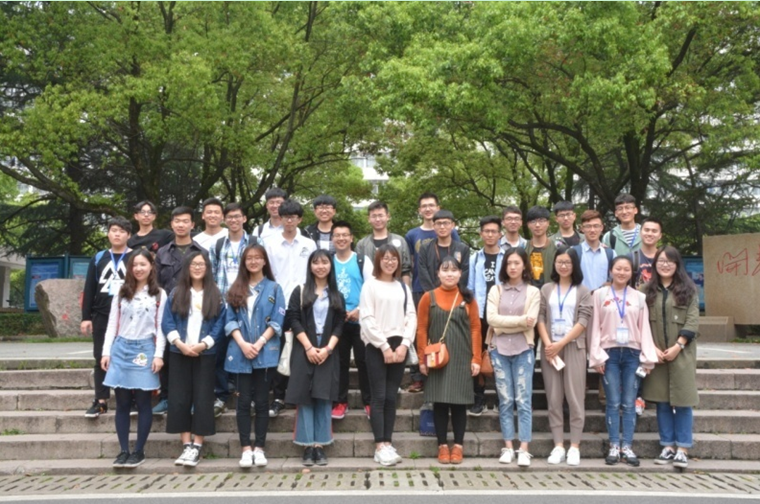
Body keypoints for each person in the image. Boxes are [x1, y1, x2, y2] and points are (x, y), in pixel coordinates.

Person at [588, 256, 658, 467]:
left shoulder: (639, 297)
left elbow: (644, 328)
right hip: (608, 353)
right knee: (613, 402)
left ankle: (627, 446)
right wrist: (596, 356)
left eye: (626, 269)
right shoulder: (600, 295)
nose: (621, 272)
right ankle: (613, 446)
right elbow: (594, 326)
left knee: (629, 402)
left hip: (632, 353)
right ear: (611, 270)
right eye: (618, 268)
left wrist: (647, 359)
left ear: (632, 272)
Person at [101, 250, 167, 468]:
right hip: (121, 348)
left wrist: (158, 355)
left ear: (151, 266)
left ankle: (139, 450)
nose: (138, 268)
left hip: (145, 349)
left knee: (143, 401)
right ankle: (123, 450)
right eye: (135, 265)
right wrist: (106, 352)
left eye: (143, 264)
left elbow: (161, 328)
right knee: (121, 402)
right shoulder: (122, 291)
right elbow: (112, 323)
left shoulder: (159, 294)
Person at [224, 244, 286, 468]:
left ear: (264, 261)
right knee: (242, 403)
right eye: (249, 258)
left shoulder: (274, 288)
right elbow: (229, 321)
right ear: (244, 262)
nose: (253, 261)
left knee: (261, 402)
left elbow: (278, 321)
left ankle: (259, 447)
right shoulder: (236, 288)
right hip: (240, 352)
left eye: (257, 257)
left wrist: (259, 343)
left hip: (265, 352)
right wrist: (242, 344)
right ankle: (245, 449)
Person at [162, 252, 226, 467]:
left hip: (204, 354)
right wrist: (179, 343)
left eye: (201, 264)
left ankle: (197, 445)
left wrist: (204, 344)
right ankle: (186, 445)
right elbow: (167, 321)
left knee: (202, 399)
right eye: (193, 264)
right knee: (179, 398)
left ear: (207, 268)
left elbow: (220, 324)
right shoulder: (176, 292)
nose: (197, 267)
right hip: (179, 352)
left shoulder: (215, 294)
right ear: (187, 267)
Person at [416, 256, 481, 465]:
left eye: (454, 270)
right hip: (436, 359)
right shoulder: (428, 297)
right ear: (438, 273)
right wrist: (422, 359)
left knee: (460, 404)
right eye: (445, 270)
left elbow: (475, 329)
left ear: (460, 274)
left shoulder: (468, 298)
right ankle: (442, 445)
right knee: (440, 402)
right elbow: (421, 329)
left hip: (462, 357)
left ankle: (458, 446)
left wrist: (476, 358)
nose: (449, 274)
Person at [285, 249, 345, 466]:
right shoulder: (300, 291)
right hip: (304, 348)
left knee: (323, 396)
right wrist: (309, 347)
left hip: (328, 350)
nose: (320, 266)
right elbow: (293, 319)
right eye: (316, 262)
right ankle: (307, 445)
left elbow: (340, 324)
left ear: (330, 265)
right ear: (310, 266)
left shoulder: (337, 295)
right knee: (305, 398)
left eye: (325, 262)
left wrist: (328, 349)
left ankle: (320, 445)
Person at [642, 246, 699, 469]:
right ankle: (667, 446)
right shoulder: (645, 290)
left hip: (681, 353)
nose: (665, 265)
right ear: (655, 264)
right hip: (656, 355)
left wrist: (678, 345)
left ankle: (683, 448)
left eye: (670, 261)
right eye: (661, 261)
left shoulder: (689, 290)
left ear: (677, 265)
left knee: (683, 401)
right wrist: (652, 348)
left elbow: (692, 321)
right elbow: (640, 323)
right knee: (662, 401)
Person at [360, 244, 417, 466]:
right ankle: (379, 446)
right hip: (377, 345)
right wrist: (384, 346)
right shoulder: (370, 285)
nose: (390, 262)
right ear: (378, 261)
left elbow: (411, 316)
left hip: (399, 344)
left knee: (392, 397)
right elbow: (367, 318)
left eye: (394, 258)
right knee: (379, 396)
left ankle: (388, 442)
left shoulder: (403, 287)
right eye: (385, 258)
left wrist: (404, 345)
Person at [536, 246, 592, 466]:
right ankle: (558, 445)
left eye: (568, 262)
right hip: (550, 349)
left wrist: (561, 343)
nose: (563, 265)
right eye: (560, 261)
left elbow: (583, 321)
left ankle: (575, 446)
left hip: (574, 348)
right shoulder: (547, 289)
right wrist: (548, 344)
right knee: (553, 398)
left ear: (574, 265)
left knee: (575, 398)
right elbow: (540, 317)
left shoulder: (583, 290)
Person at [486, 247, 540, 467]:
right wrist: (519, 321)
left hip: (523, 349)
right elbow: (491, 319)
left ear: (524, 265)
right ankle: (508, 447)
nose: (513, 267)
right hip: (499, 350)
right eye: (509, 263)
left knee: (524, 400)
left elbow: (532, 321)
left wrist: (502, 326)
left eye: (517, 263)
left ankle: (524, 448)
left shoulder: (533, 292)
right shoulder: (496, 290)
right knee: (506, 400)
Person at [264, 199, 318, 418]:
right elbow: (267, 273)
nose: (289, 221)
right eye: (285, 217)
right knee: (279, 350)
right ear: (280, 218)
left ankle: (299, 394)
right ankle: (278, 396)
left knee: (302, 349)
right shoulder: (269, 243)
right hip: (278, 303)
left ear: (300, 219)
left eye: (293, 217)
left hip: (304, 302)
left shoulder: (309, 244)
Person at [405, 193, 461, 393]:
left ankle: (444, 368)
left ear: (438, 207)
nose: (428, 209)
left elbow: (456, 262)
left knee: (443, 330)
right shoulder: (412, 234)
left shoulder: (452, 233)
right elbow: (412, 264)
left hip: (449, 291)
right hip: (420, 289)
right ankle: (418, 375)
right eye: (424, 206)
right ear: (419, 210)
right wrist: (431, 292)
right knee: (419, 331)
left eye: (431, 205)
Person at [154, 206, 208, 415]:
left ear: (193, 224)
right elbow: (156, 283)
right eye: (177, 221)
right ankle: (166, 397)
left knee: (195, 357)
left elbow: (207, 281)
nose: (181, 225)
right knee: (169, 355)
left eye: (185, 221)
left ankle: (194, 400)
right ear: (171, 224)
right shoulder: (163, 252)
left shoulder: (201, 252)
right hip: (169, 310)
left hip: (195, 310)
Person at [81, 217, 132, 418]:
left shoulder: (135, 257)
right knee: (100, 355)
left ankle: (130, 399)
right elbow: (89, 288)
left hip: (128, 315)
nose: (117, 234)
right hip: (102, 313)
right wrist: (86, 317)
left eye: (121, 231)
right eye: (113, 230)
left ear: (129, 235)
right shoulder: (99, 257)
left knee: (128, 355)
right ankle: (101, 400)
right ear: (108, 233)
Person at [209, 202, 255, 417]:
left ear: (244, 218)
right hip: (223, 306)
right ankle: (221, 395)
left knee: (247, 351)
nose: (234, 220)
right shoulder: (218, 245)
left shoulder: (255, 242)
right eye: (230, 217)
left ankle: (248, 396)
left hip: (248, 306)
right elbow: (211, 276)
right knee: (219, 352)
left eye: (237, 216)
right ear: (224, 220)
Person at [331, 221, 374, 420]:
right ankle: (340, 401)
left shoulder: (362, 260)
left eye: (345, 235)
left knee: (364, 361)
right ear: (332, 239)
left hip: (360, 320)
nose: (341, 238)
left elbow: (372, 289)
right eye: (337, 235)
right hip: (337, 321)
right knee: (339, 363)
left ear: (351, 238)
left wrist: (359, 310)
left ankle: (369, 402)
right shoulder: (327, 261)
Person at [467, 216, 504, 416]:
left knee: (502, 356)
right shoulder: (475, 258)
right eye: (486, 231)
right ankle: (478, 397)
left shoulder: (507, 256)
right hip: (480, 314)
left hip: (502, 314)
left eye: (494, 231)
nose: (490, 235)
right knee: (478, 355)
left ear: (500, 234)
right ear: (481, 234)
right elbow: (470, 288)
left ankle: (501, 398)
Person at [355, 200, 412, 285]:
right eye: (374, 216)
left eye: (380, 215)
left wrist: (406, 290)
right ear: (369, 219)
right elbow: (358, 272)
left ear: (388, 216)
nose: (377, 219)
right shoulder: (362, 244)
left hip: (396, 287)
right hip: (371, 288)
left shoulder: (400, 241)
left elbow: (406, 270)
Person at [418, 210, 470, 293]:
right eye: (438, 223)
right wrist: (433, 294)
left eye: (446, 223)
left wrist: (453, 292)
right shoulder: (425, 248)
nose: (442, 227)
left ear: (452, 225)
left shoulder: (463, 249)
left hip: (456, 293)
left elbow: (464, 273)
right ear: (433, 226)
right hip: (431, 294)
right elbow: (423, 273)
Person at [575, 210, 616, 292]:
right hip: (581, 298)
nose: (592, 230)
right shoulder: (574, 252)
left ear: (601, 228)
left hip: (604, 298)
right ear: (582, 228)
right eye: (588, 226)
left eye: (596, 226)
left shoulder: (610, 254)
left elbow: (616, 279)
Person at [525, 206, 556, 288]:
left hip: (552, 292)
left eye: (542, 221)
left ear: (548, 223)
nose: (537, 225)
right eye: (533, 221)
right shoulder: (523, 248)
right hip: (529, 293)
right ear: (528, 224)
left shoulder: (557, 248)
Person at [633, 217, 663, 289]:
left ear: (660, 236)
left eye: (654, 231)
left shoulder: (666, 258)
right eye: (646, 230)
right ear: (640, 233)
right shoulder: (631, 257)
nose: (650, 234)